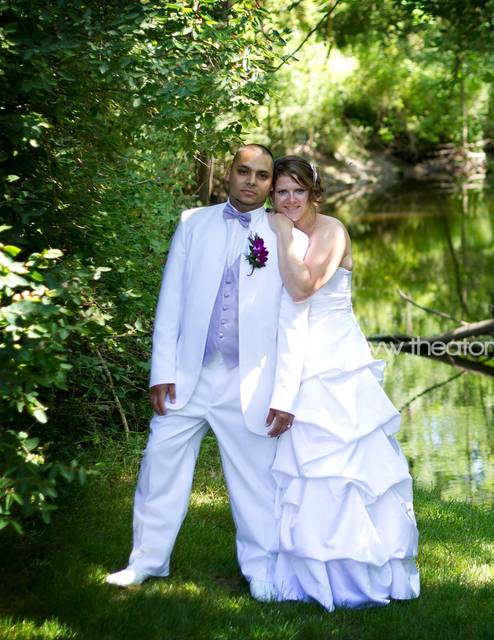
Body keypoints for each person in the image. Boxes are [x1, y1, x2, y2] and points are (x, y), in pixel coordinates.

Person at [105, 144, 308, 603]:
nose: (251, 182)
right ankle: (144, 562)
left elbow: (294, 320)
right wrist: (162, 371)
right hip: (187, 376)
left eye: (261, 176)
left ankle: (261, 571)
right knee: (160, 466)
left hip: (250, 379)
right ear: (228, 174)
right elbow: (171, 299)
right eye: (244, 171)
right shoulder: (192, 223)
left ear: (269, 184)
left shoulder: (283, 232)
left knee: (256, 481)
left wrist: (285, 392)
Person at [267, 155, 420, 610]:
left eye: (297, 190)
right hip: (290, 353)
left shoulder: (331, 231)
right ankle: (301, 572)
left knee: (344, 463)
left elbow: (303, 286)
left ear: (313, 192)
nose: (289, 200)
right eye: (281, 192)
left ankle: (357, 575)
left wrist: (281, 235)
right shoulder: (277, 227)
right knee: (299, 465)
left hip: (334, 359)